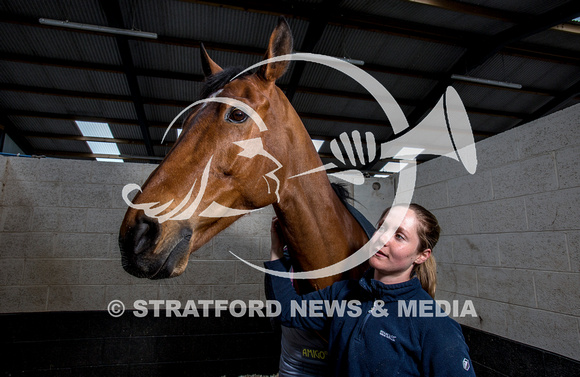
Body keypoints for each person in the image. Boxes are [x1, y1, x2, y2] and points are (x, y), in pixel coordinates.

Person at [264, 203, 476, 376]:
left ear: (422, 255)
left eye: (399, 236)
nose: (383, 238)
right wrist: (276, 250)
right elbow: (287, 311)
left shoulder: (435, 326)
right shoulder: (342, 294)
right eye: (382, 227)